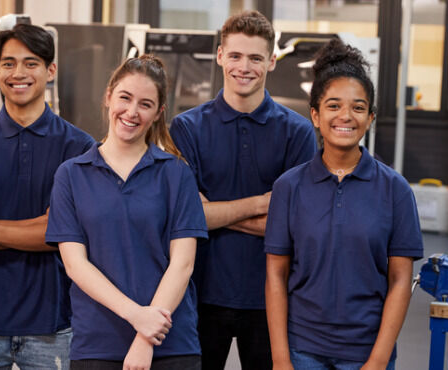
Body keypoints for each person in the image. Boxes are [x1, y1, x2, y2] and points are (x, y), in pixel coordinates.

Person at [168, 10, 317, 369]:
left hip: (272, 297)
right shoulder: (186, 128)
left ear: (272, 61)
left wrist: (212, 213)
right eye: (234, 55)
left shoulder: (297, 133)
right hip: (199, 294)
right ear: (220, 56)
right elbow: (186, 215)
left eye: (255, 58)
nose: (244, 67)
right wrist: (261, 203)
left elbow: (295, 226)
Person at [265, 38, 423, 370]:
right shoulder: (288, 187)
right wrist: (280, 359)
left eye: (358, 107)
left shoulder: (395, 190)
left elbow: (399, 281)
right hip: (301, 350)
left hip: (367, 352)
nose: (345, 116)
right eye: (334, 105)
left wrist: (378, 360)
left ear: (370, 118)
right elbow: (276, 276)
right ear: (315, 114)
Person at [45, 55, 208, 370]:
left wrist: (146, 337)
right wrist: (138, 317)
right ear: (108, 97)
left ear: (159, 113)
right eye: (125, 98)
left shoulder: (176, 174)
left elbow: (183, 264)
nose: (132, 112)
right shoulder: (71, 175)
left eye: (145, 104)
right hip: (97, 345)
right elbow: (76, 266)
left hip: (170, 344)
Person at [0, 24, 95, 369]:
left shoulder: (78, 147)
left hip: (55, 324)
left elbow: (64, 235)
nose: (19, 73)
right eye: (9, 63)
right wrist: (41, 228)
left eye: (31, 63)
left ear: (50, 71)